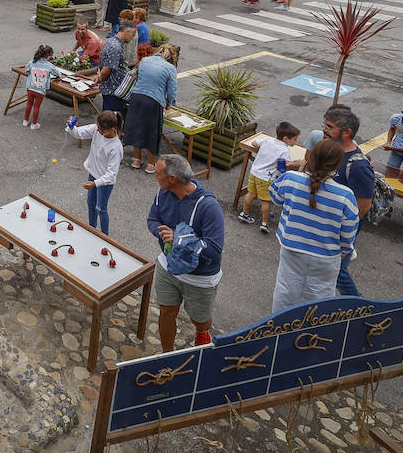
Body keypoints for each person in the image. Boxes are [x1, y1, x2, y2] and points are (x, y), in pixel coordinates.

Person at [269, 140, 359, 312]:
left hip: (292, 249)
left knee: (286, 291)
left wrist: (300, 171)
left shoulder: (291, 179)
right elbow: (348, 236)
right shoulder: (346, 196)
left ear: (310, 157)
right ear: (337, 164)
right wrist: (344, 253)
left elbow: (275, 196)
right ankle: (312, 334)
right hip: (326, 256)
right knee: (320, 298)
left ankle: (280, 329)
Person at [147, 153, 224, 352]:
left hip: (199, 279)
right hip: (168, 267)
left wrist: (179, 240)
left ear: (172, 179)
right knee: (166, 311)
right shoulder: (162, 193)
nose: (155, 176)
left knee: (199, 321)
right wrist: (162, 233)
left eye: (158, 173)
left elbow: (214, 250)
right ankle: (167, 356)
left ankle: (202, 331)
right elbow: (153, 220)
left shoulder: (209, 207)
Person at [322, 106, 373, 296]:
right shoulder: (333, 150)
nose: (324, 130)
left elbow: (363, 206)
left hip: (340, 230)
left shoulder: (358, 166)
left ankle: (359, 308)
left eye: (329, 127)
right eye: (325, 125)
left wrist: (343, 234)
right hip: (327, 224)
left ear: (347, 132)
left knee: (338, 273)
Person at [125, 43, 179, 173]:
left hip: (137, 97)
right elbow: (172, 91)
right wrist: (168, 103)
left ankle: (137, 160)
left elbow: (134, 75)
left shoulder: (145, 60)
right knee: (151, 132)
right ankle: (151, 164)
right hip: (153, 101)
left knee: (137, 127)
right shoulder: (170, 68)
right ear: (172, 57)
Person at [240, 121, 300, 233]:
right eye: (295, 139)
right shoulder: (285, 151)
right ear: (286, 139)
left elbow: (254, 143)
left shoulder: (268, 140)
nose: (296, 142)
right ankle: (265, 223)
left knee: (251, 193)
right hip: (266, 178)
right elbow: (283, 168)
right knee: (265, 200)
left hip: (254, 172)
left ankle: (244, 213)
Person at [74, 110, 122, 234]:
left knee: (101, 208)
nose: (98, 131)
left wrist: (95, 183)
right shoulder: (97, 129)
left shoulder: (115, 148)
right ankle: (92, 229)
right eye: (98, 128)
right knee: (90, 203)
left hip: (105, 182)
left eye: (101, 129)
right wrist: (71, 127)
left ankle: (105, 236)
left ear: (112, 129)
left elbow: (111, 175)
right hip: (93, 174)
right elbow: (79, 133)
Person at [96, 22, 138, 116]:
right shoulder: (116, 47)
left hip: (110, 89)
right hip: (113, 90)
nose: (133, 38)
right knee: (112, 120)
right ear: (127, 32)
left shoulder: (111, 41)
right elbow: (108, 68)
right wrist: (100, 79)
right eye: (133, 35)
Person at [23, 44, 62, 130]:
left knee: (29, 104)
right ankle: (34, 124)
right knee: (36, 107)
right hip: (41, 90)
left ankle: (25, 121)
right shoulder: (49, 66)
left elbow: (26, 69)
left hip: (30, 87)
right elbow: (58, 73)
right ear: (48, 56)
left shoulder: (32, 62)